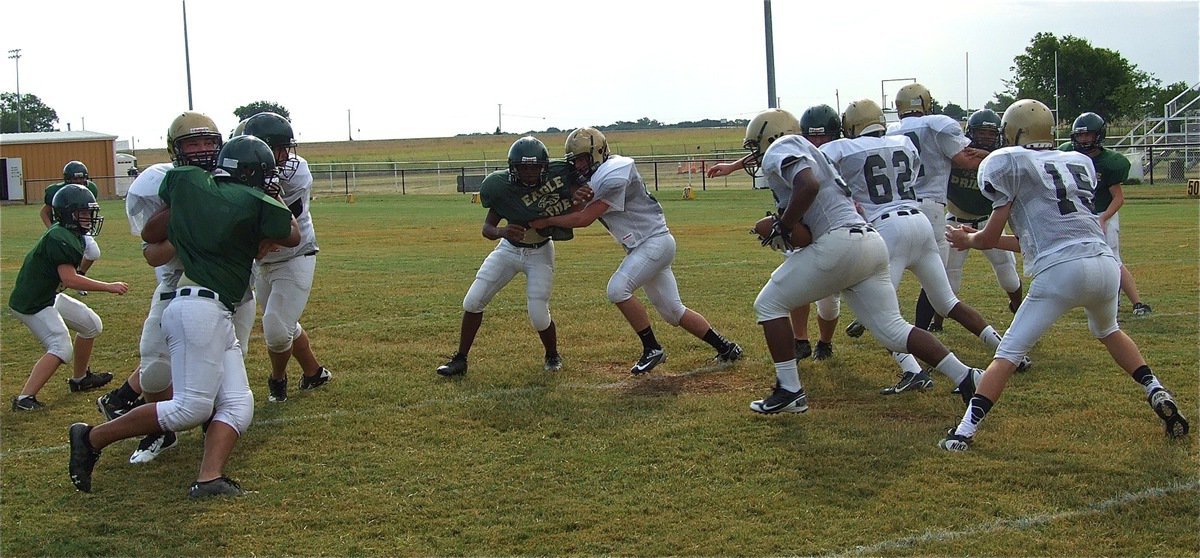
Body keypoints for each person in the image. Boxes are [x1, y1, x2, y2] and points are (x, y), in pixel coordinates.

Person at [939, 99, 1188, 451]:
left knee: (1007, 354)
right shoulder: (1077, 161)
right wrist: (976, 238)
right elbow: (1035, 241)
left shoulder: (1008, 163)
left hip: (1060, 273)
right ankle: (1155, 388)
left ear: (1015, 132)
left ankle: (963, 432)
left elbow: (991, 237)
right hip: (1103, 265)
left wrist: (969, 239)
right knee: (1109, 330)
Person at [69, 135, 300, 497]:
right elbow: (291, 233)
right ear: (253, 172)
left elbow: (150, 233)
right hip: (198, 307)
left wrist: (193, 215)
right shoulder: (251, 199)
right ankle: (90, 437)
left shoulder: (192, 185)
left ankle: (209, 478)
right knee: (190, 408)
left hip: (211, 308)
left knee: (239, 404)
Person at [738, 108, 983, 413]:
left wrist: (783, 226)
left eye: (754, 144)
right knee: (894, 330)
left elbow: (808, 186)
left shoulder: (782, 147)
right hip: (869, 240)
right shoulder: (816, 154)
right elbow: (810, 227)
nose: (753, 153)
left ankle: (789, 390)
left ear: (770, 135)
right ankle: (966, 375)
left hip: (842, 242)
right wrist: (783, 227)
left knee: (768, 304)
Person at [828, 100, 1026, 396]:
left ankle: (913, 370)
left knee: (883, 314)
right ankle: (1009, 352)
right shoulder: (903, 143)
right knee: (947, 301)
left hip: (886, 228)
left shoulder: (842, 148)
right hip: (920, 222)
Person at [98, 111, 260, 464]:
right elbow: (152, 254)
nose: (202, 151)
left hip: (231, 290)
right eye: (193, 143)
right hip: (175, 288)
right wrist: (188, 215)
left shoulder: (236, 178)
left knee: (225, 367)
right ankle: (160, 430)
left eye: (208, 143)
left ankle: (215, 432)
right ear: (176, 150)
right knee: (155, 368)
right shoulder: (161, 182)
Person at [529, 128, 743, 375]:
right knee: (674, 312)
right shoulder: (599, 174)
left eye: (581, 159)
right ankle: (726, 347)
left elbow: (585, 217)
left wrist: (547, 221)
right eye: (574, 160)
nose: (577, 165)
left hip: (653, 242)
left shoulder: (613, 173)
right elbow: (577, 203)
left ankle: (652, 347)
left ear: (597, 153)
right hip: (648, 244)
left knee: (617, 289)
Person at [706, 104, 842, 361]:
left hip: (829, 228)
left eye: (823, 135)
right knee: (795, 282)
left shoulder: (837, 151)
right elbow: (764, 151)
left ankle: (825, 342)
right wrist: (733, 166)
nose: (818, 141)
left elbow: (810, 184)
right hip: (802, 222)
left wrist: (784, 225)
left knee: (828, 298)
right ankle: (800, 340)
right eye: (813, 136)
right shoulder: (791, 148)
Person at [436, 137, 579, 377]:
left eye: (534, 167)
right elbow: (487, 228)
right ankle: (460, 359)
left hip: (540, 252)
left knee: (538, 313)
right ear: (513, 168)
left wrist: (578, 197)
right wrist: (503, 231)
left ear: (544, 167)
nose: (529, 173)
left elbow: (574, 199)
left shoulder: (557, 182)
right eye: (523, 167)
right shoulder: (503, 188)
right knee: (473, 301)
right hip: (509, 249)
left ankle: (552, 355)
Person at [854, 82, 986, 334]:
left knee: (890, 264)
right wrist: (987, 155)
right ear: (925, 103)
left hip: (898, 206)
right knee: (935, 280)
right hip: (931, 209)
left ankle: (871, 313)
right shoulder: (937, 124)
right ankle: (921, 333)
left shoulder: (891, 130)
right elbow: (963, 160)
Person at [241, 112, 333, 401]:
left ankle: (277, 379)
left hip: (295, 254)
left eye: (285, 147)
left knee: (276, 328)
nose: (285, 155)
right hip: (263, 262)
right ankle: (314, 373)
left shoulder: (297, 173)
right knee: (284, 324)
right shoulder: (239, 168)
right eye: (278, 148)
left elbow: (281, 225)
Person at [9, 184, 126, 411]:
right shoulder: (60, 237)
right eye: (83, 213)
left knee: (91, 324)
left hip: (47, 295)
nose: (89, 218)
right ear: (68, 214)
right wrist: (109, 287)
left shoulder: (70, 234)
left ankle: (80, 379)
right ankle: (25, 399)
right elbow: (70, 279)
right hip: (33, 303)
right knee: (60, 347)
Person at [929, 109, 1024, 332]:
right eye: (981, 133)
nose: (985, 138)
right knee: (948, 280)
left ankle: (1019, 311)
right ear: (970, 133)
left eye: (990, 134)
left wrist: (984, 154)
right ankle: (937, 322)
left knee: (1008, 275)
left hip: (988, 219)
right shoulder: (955, 153)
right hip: (955, 218)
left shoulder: (1004, 157)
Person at [1060, 112, 1151, 317]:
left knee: (1112, 259)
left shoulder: (1110, 162)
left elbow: (1118, 198)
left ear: (1099, 135)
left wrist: (1102, 218)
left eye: (1088, 135)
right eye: (1080, 135)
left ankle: (1135, 302)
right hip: (1080, 214)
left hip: (1104, 213)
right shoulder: (1066, 153)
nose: (1083, 140)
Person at [41, 161, 102, 291]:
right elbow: (44, 211)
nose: (79, 181)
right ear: (68, 179)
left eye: (82, 177)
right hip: (64, 228)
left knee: (93, 253)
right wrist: (51, 228)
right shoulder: (56, 191)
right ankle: (65, 281)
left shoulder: (90, 189)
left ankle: (79, 276)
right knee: (66, 256)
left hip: (80, 227)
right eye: (75, 178)